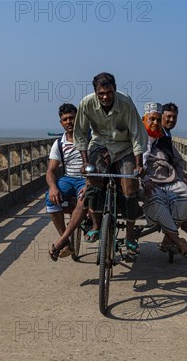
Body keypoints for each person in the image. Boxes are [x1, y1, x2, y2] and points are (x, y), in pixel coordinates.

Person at [73, 72, 148, 256]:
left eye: (108, 92)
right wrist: (84, 163)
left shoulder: (125, 103)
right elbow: (80, 134)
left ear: (114, 89)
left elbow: (137, 134)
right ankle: (97, 225)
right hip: (100, 146)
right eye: (101, 94)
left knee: (130, 188)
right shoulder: (86, 103)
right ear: (95, 93)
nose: (105, 97)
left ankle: (130, 236)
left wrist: (139, 165)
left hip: (124, 148)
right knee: (93, 181)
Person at [140, 102, 187, 258]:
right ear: (145, 119)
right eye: (152, 120)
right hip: (146, 179)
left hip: (166, 178)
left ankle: (171, 235)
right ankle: (177, 240)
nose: (155, 123)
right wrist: (144, 178)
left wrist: (180, 176)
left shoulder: (163, 136)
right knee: (157, 200)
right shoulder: (139, 136)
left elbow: (175, 159)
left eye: (173, 117)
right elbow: (137, 163)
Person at [46, 103, 95, 261]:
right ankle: (66, 241)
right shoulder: (59, 143)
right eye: (65, 119)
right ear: (61, 122)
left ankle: (60, 242)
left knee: (84, 199)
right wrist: (53, 187)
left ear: (78, 118)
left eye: (72, 118)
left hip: (86, 178)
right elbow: (51, 170)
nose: (68, 122)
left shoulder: (91, 138)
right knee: (50, 198)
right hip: (68, 178)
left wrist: (90, 182)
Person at [160, 102, 187, 236]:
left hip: (168, 171)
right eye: (168, 116)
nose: (171, 120)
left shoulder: (167, 133)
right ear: (161, 116)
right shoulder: (158, 132)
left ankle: (184, 221)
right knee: (186, 191)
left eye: (174, 117)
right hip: (159, 173)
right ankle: (183, 223)